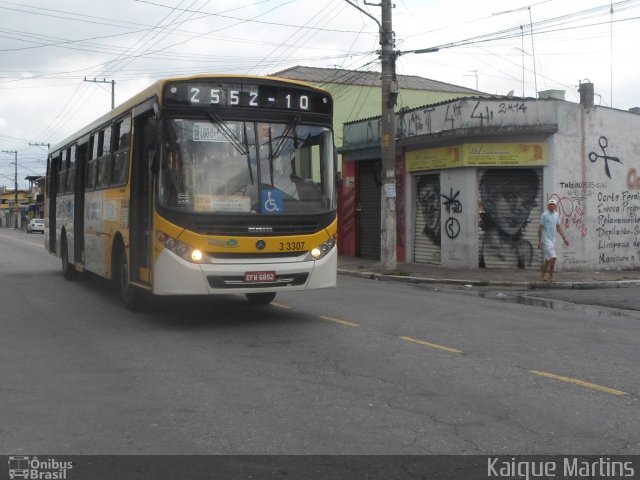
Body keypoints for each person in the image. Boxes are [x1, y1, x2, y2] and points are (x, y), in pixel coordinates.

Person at [478, 169, 539, 268]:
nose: (517, 210)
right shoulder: (478, 247)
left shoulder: (524, 250)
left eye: (526, 204)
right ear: (490, 199)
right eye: (510, 198)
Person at [538, 198, 570, 283]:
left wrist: (564, 238)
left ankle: (542, 276)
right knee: (553, 257)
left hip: (552, 241)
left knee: (548, 260)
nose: (552, 206)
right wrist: (539, 241)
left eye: (553, 205)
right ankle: (551, 277)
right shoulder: (544, 215)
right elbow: (540, 228)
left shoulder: (556, 215)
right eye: (550, 205)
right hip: (546, 240)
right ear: (548, 206)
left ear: (555, 206)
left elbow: (558, 227)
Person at [416, 175, 441, 246]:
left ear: (439, 199)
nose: (428, 207)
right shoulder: (425, 234)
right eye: (423, 202)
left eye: (431, 198)